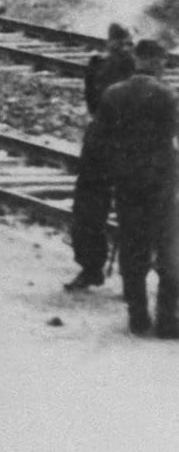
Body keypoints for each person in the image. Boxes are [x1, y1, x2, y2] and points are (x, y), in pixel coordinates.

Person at [70, 39, 179, 336]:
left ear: (136, 60)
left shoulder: (113, 94)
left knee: (132, 246)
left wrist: (113, 175)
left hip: (127, 184)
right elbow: (173, 137)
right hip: (162, 185)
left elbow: (100, 141)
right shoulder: (167, 96)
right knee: (169, 249)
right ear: (155, 61)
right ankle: (167, 319)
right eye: (163, 61)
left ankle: (138, 316)